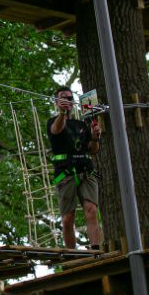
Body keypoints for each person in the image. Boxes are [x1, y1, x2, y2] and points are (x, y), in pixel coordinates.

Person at [46, 86, 102, 250]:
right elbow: (57, 130)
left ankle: (95, 249)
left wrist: (95, 138)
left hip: (85, 170)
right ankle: (72, 254)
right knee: (67, 218)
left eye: (70, 98)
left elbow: (92, 150)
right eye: (63, 98)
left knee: (91, 210)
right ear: (56, 102)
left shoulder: (82, 125)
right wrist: (63, 113)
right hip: (65, 173)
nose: (67, 101)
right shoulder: (53, 122)